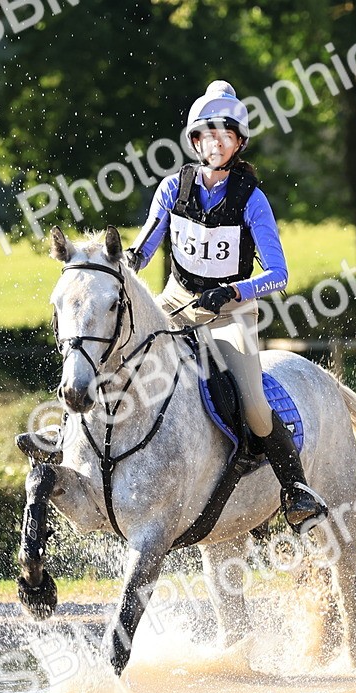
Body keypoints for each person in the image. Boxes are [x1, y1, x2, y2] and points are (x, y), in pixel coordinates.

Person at [125, 80, 328, 531]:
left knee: (254, 406)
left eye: (225, 135)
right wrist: (117, 264)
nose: (215, 142)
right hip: (175, 302)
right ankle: (71, 441)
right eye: (206, 134)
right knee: (120, 354)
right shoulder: (171, 189)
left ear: (238, 143)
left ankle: (296, 491)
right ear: (195, 140)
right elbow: (142, 250)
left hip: (229, 313)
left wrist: (235, 291)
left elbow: (279, 274)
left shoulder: (252, 199)